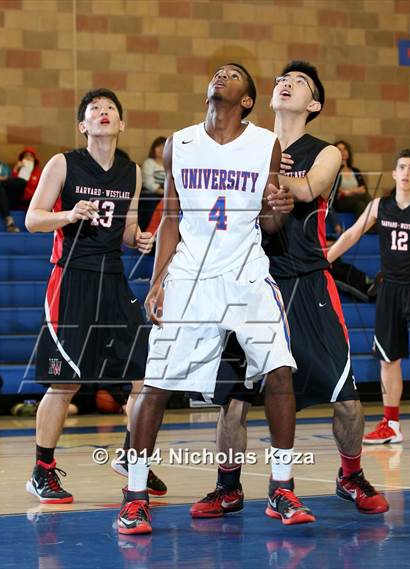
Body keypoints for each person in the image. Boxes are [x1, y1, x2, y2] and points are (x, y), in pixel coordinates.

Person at [117, 63, 316, 535]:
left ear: (247, 99)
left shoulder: (265, 143)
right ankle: (135, 495)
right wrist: (157, 279)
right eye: (219, 72)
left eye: (234, 74)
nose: (222, 76)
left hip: (245, 271)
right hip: (191, 273)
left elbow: (268, 224)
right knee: (156, 382)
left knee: (279, 371)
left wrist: (279, 211)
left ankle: (282, 487)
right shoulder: (178, 144)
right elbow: (169, 217)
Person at [191, 61, 388, 519]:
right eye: (282, 79)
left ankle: (351, 474)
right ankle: (228, 486)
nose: (286, 84)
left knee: (346, 398)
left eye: (298, 83)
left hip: (305, 281)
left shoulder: (325, 153)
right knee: (234, 399)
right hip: (248, 279)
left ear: (313, 103)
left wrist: (264, 172)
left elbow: (308, 189)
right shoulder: (246, 141)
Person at [24, 88, 165, 504]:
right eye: (94, 110)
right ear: (83, 126)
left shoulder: (132, 172)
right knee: (65, 382)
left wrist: (138, 239)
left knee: (146, 374)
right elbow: (33, 219)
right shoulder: (63, 164)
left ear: (121, 124)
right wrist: (68, 214)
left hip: (113, 278)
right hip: (72, 279)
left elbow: (125, 230)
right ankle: (42, 470)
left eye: (110, 109)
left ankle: (130, 453)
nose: (103, 113)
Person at [328, 148, 410, 444]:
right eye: (401, 167)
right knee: (388, 359)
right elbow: (351, 234)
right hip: (390, 289)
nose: (406, 173)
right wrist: (327, 257)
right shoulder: (380, 206)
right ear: (393, 173)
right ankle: (391, 423)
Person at [333, 140, 370, 218]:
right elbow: (337, 193)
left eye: (345, 149)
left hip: (357, 200)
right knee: (362, 201)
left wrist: (347, 192)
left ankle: (370, 228)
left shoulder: (355, 171)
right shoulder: (334, 171)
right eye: (339, 149)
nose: (343, 152)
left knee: (364, 201)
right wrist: (356, 190)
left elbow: (364, 189)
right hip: (340, 203)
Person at [138, 137, 167, 232]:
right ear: (153, 149)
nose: (161, 149)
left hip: (166, 195)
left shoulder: (171, 164)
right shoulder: (149, 163)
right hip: (152, 194)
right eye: (158, 146)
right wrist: (163, 192)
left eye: (164, 146)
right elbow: (148, 182)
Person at [0, 134, 20, 231]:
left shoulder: (2, 165)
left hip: (3, 197)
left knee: (19, 182)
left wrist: (4, 179)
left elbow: (11, 180)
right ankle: (9, 222)